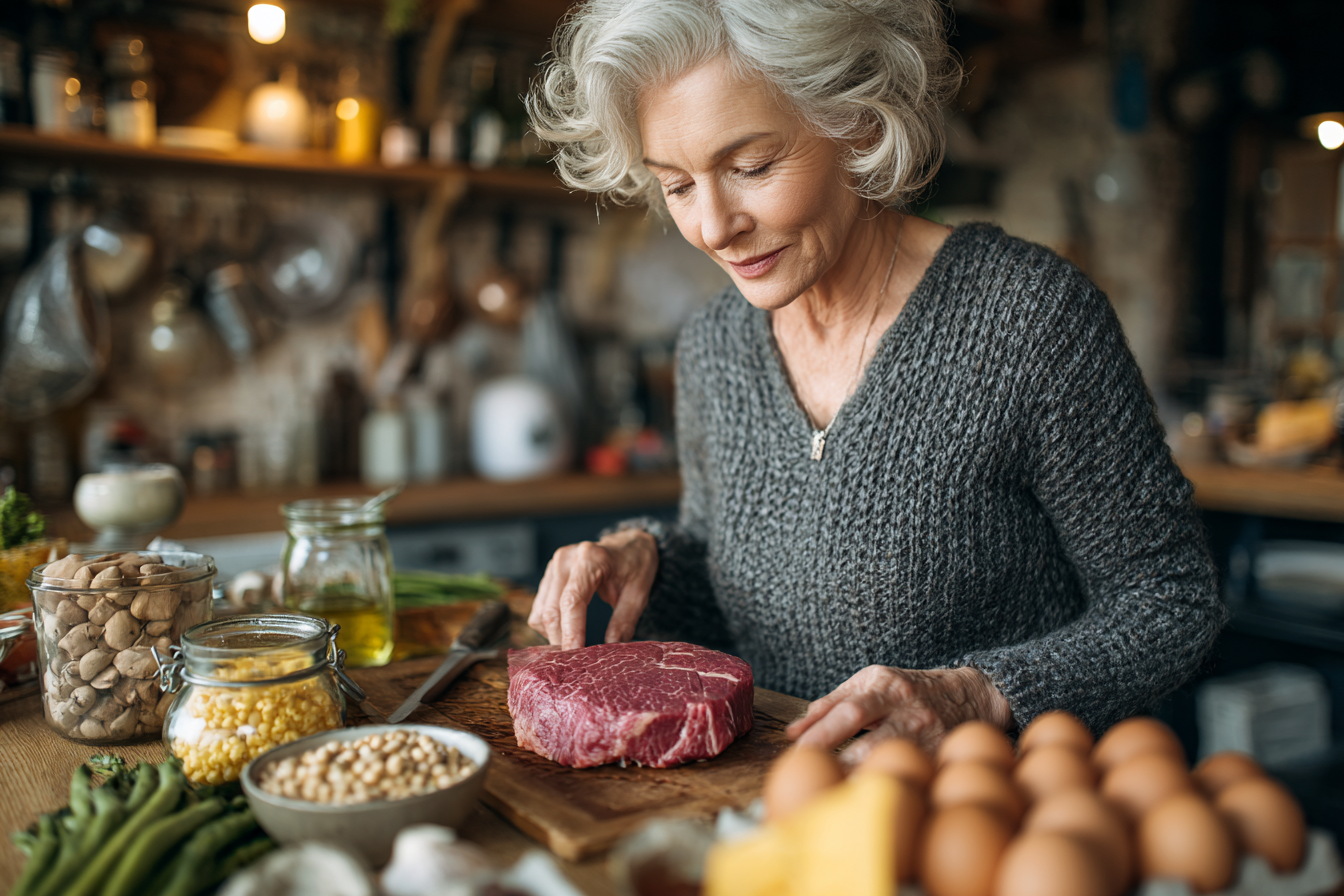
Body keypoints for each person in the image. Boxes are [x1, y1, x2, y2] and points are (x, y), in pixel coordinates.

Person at [525, 0, 1226, 756]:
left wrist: (978, 693)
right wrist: (649, 560)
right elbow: (730, 576)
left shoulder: (1029, 320)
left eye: (751, 167)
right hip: (785, 830)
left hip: (988, 822)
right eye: (678, 184)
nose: (713, 225)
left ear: (856, 122)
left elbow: (1172, 600)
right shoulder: (714, 345)